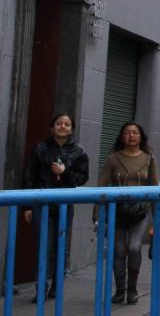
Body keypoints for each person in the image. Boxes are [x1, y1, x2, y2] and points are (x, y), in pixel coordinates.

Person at [23, 113, 89, 301]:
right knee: (44, 244)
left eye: (67, 124)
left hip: (64, 204)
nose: (62, 126)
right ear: (52, 128)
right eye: (58, 123)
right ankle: (40, 289)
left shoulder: (79, 151)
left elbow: (82, 178)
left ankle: (56, 287)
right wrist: (27, 206)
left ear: (72, 129)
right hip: (41, 202)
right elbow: (29, 177)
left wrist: (65, 171)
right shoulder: (40, 148)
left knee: (62, 246)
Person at [96, 122, 159, 305]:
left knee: (133, 247)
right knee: (118, 250)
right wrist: (96, 215)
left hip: (141, 212)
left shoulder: (149, 159)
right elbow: (101, 185)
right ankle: (120, 291)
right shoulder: (113, 159)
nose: (131, 136)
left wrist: (157, 219)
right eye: (127, 133)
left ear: (141, 137)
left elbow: (155, 188)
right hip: (118, 211)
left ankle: (132, 289)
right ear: (121, 137)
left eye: (135, 133)